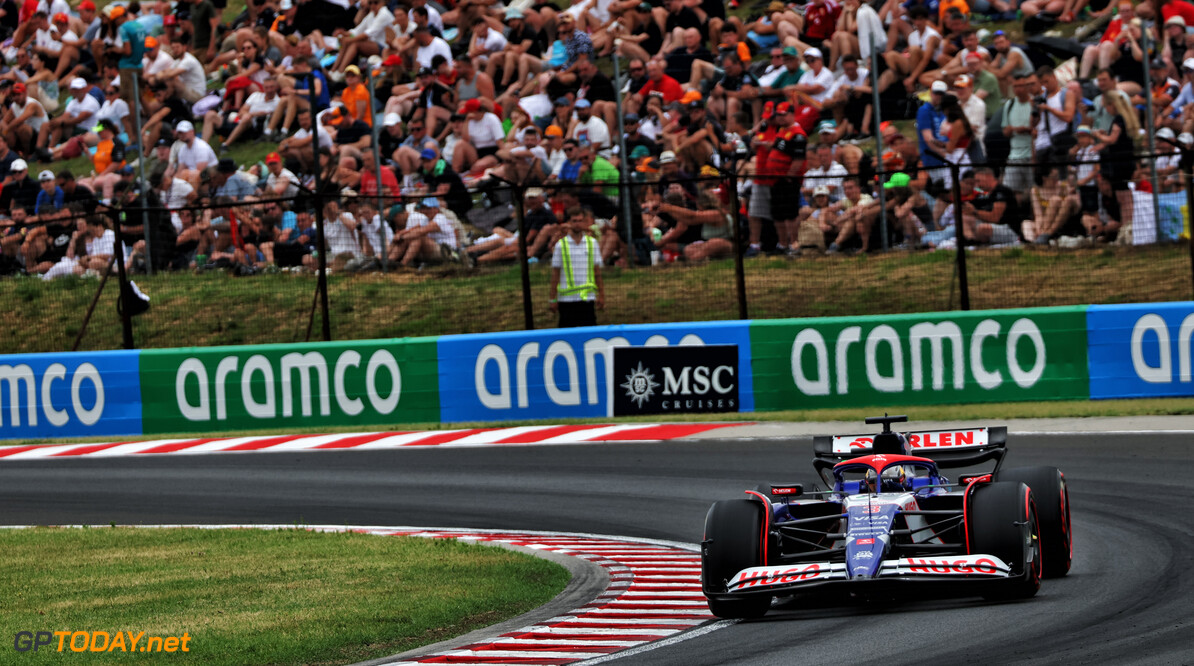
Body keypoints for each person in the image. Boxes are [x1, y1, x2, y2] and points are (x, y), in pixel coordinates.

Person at [549, 205, 604, 328]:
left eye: (580, 221)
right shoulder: (561, 245)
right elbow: (555, 274)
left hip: (587, 298)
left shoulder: (592, 243)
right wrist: (552, 299)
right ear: (569, 223)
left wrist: (601, 295)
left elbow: (597, 271)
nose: (577, 224)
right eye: (574, 221)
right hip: (566, 300)